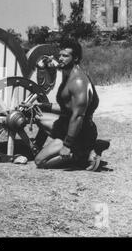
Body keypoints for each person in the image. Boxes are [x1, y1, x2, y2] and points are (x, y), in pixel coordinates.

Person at [32, 38, 109, 171]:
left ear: (76, 58)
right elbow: (66, 108)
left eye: (65, 56)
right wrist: (43, 106)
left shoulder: (78, 81)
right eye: (60, 55)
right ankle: (84, 148)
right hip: (68, 125)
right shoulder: (67, 73)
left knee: (40, 161)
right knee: (38, 117)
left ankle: (81, 155)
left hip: (81, 133)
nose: (60, 58)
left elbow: (78, 116)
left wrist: (67, 145)